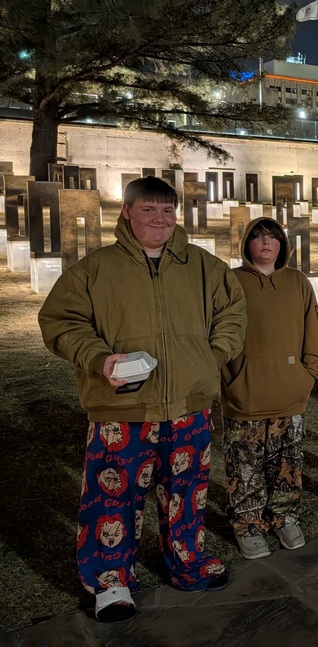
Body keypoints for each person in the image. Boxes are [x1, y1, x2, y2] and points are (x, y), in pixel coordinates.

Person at [38, 176, 246, 622]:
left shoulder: (205, 267)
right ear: (127, 212)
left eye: (167, 210)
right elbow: (60, 321)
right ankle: (111, 580)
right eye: (148, 209)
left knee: (187, 492)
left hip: (188, 405)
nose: (160, 219)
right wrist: (99, 359)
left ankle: (187, 562)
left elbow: (233, 315)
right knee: (113, 496)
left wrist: (209, 357)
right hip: (122, 409)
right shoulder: (96, 269)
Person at [220, 217, 318, 559]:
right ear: (246, 244)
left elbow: (313, 329)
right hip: (246, 394)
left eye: (272, 237)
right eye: (258, 237)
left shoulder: (297, 281)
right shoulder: (231, 281)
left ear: (282, 245)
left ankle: (285, 517)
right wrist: (230, 378)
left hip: (289, 393)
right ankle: (248, 524)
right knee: (245, 466)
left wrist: (309, 373)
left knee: (287, 463)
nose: (265, 243)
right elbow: (216, 331)